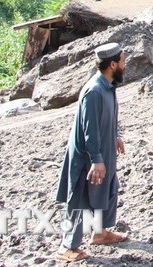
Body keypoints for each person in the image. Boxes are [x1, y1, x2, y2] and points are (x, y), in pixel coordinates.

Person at [55, 42, 128, 263]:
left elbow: (107, 118)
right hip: (89, 155)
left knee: (107, 189)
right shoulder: (94, 91)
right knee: (80, 198)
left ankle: (100, 232)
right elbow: (90, 129)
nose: (125, 65)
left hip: (105, 150)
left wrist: (115, 136)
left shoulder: (108, 85)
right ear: (112, 64)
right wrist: (96, 159)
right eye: (123, 61)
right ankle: (67, 246)